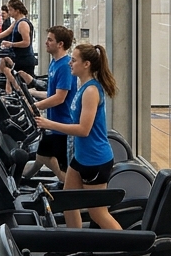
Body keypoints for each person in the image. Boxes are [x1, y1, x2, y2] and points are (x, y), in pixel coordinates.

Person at [34, 44, 122, 231]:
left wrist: (50, 124)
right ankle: (75, 243)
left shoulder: (91, 91)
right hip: (80, 157)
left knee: (97, 213)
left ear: (87, 64)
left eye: (74, 60)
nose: (70, 64)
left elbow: (84, 130)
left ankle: (130, 250)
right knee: (68, 201)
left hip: (95, 160)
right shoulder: (82, 86)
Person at [32, 26, 76, 182]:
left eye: (50, 40)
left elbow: (59, 98)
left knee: (57, 166)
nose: (46, 42)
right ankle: (18, 181)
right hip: (52, 123)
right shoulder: (54, 63)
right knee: (40, 156)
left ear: (60, 44)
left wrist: (35, 107)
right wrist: (30, 93)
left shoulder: (65, 66)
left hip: (62, 126)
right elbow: (51, 94)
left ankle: (71, 191)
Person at [0, 0, 36, 89]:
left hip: (24, 59)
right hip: (18, 56)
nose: (9, 12)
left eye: (10, 10)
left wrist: (11, 44)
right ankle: (5, 86)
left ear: (17, 10)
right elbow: (7, 32)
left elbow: (26, 43)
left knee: (8, 71)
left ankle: (12, 90)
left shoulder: (23, 24)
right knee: (4, 60)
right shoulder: (16, 22)